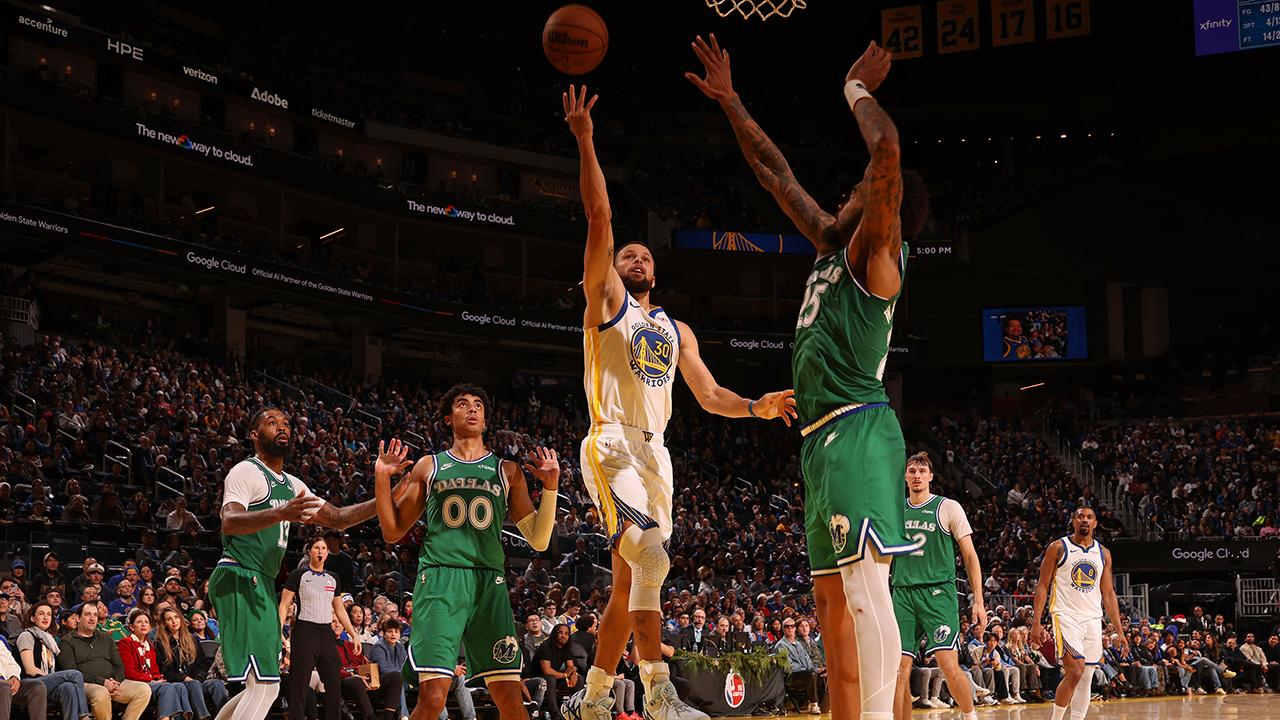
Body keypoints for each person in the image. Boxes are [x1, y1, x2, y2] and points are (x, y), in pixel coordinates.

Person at [688, 36, 930, 720]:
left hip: (857, 428)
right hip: (819, 443)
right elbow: (773, 171)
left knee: (864, 593)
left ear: (885, 208)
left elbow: (886, 155)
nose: (848, 192)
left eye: (859, 191)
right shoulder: (830, 242)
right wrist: (733, 101)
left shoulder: (878, 256)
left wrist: (854, 87)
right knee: (830, 613)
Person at [560, 82, 796, 720]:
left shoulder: (676, 329)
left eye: (643, 255)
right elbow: (599, 218)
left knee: (629, 583)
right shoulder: (605, 303)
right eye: (624, 254)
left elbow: (712, 394)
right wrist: (585, 139)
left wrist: (758, 406)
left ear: (656, 273)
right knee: (650, 555)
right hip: (610, 442)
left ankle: (595, 699)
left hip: (658, 455)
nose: (632, 257)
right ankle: (661, 691)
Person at [372, 385, 564, 720]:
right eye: (463, 405)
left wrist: (551, 487)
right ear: (449, 418)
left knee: (511, 702)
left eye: (478, 405)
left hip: (490, 585)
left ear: (486, 421)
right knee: (433, 698)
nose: (472, 409)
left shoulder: (508, 471)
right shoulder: (429, 466)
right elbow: (392, 532)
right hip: (440, 581)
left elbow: (539, 539)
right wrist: (381, 479)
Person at [209, 407, 379, 720]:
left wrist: (387, 497)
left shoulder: (292, 484)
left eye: (286, 423)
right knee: (264, 686)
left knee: (260, 688)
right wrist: (279, 513)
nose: (282, 427)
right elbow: (229, 521)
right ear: (255, 435)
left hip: (258, 581)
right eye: (271, 423)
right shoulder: (246, 472)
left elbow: (338, 517)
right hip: (240, 573)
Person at [890, 451, 985, 720]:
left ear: (931, 476)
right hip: (903, 594)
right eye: (912, 471)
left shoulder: (948, 507)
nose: (916, 475)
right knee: (899, 669)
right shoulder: (894, 509)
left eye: (922, 471)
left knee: (948, 664)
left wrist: (978, 600)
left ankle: (969, 716)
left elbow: (969, 555)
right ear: (905, 477)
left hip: (937, 593)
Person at [1031, 507, 1127, 720]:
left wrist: (1119, 631)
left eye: (1089, 517)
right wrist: (1036, 622)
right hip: (1065, 615)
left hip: (1093, 618)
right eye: (1080, 517)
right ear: (1073, 521)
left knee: (1086, 676)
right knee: (1075, 671)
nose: (1085, 520)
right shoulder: (1058, 547)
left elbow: (1109, 594)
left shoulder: (1103, 553)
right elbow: (1042, 586)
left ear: (1095, 523)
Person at [280, 536, 361, 720]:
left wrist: (353, 634)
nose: (320, 551)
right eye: (317, 547)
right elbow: (284, 605)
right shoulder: (298, 575)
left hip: (326, 633)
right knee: (299, 685)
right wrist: (279, 632)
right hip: (304, 632)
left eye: (324, 548)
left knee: (333, 684)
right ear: (309, 551)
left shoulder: (333, 579)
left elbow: (339, 610)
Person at [17, 601, 93, 720]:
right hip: (31, 683)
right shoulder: (27, 635)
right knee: (75, 674)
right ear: (32, 618)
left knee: (68, 687)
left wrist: (55, 678)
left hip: (47, 683)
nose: (46, 617)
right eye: (41, 614)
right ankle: (84, 715)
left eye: (49, 614)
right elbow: (30, 669)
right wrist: (55, 677)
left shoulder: (50, 639)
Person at [117, 610, 192, 720]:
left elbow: (155, 671)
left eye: (146, 622)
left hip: (152, 682)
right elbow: (129, 672)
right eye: (139, 622)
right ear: (132, 627)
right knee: (167, 687)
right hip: (136, 683)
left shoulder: (150, 645)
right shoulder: (126, 642)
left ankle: (187, 717)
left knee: (179, 686)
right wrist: (152, 679)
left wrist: (158, 678)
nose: (143, 624)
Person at [157, 607, 228, 717]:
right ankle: (203, 717)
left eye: (176, 617)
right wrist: (183, 678)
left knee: (216, 683)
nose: (174, 621)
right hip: (178, 683)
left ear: (181, 619)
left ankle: (225, 716)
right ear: (164, 623)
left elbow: (201, 665)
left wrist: (198, 678)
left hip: (196, 681)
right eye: (169, 619)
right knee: (194, 684)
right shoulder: (161, 642)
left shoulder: (192, 639)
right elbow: (165, 671)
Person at [774, 618, 821, 714]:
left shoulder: (799, 644)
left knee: (822, 675)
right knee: (810, 674)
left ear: (795, 628)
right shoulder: (781, 645)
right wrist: (808, 670)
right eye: (787, 626)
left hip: (804, 673)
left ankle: (822, 703)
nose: (790, 628)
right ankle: (813, 704)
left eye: (792, 626)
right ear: (783, 629)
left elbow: (808, 661)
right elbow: (788, 666)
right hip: (791, 677)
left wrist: (818, 670)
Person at [536, 624, 583, 720]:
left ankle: (576, 711)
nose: (563, 636)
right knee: (551, 679)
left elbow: (571, 666)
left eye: (566, 633)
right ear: (554, 634)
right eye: (560, 633)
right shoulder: (546, 646)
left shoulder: (566, 648)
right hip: (538, 678)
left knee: (579, 679)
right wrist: (565, 675)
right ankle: (555, 714)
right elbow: (547, 671)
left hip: (556, 678)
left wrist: (573, 674)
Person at [366, 619, 410, 720]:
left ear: (399, 634)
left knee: (426, 681)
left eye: (396, 632)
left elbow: (405, 665)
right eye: (390, 631)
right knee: (398, 679)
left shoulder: (400, 647)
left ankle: (441, 717)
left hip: (399, 679)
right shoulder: (378, 647)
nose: (393, 634)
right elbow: (384, 668)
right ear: (383, 634)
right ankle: (403, 715)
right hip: (383, 683)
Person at [1, 633, 48, 720]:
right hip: (3, 686)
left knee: (37, 686)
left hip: (7, 683)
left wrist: (14, 676)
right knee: (4, 687)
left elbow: (11, 663)